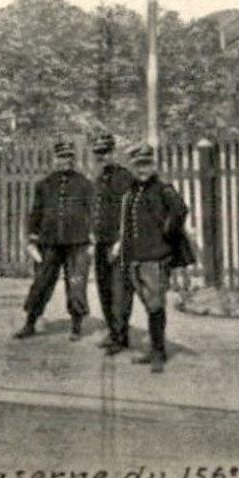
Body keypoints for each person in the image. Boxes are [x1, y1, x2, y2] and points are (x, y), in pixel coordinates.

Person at [115, 143, 191, 373]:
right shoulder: (132, 191)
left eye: (146, 164)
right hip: (135, 256)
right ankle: (155, 349)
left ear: (153, 164)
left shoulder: (163, 188)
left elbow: (180, 210)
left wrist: (165, 236)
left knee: (156, 303)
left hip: (155, 256)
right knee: (149, 304)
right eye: (138, 165)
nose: (142, 169)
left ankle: (158, 352)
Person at [14, 140, 95, 341]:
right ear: (54, 159)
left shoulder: (85, 184)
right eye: (60, 157)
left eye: (68, 157)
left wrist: (93, 238)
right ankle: (30, 322)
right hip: (49, 242)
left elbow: (93, 213)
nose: (64, 161)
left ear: (73, 159)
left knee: (76, 284)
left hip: (77, 243)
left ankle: (76, 326)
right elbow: (36, 212)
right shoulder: (45, 184)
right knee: (41, 283)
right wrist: (32, 238)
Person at [89, 132, 136, 353]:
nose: (102, 157)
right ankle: (113, 331)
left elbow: (129, 213)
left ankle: (121, 336)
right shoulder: (99, 178)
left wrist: (120, 242)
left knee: (120, 291)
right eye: (98, 153)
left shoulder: (124, 178)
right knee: (104, 289)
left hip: (119, 244)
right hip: (101, 241)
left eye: (105, 152)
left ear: (114, 152)